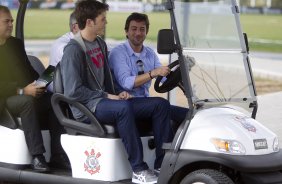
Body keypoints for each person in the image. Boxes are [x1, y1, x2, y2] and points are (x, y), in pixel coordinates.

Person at [60, 1, 173, 183]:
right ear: (90, 22)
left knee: (160, 105)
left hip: (105, 101)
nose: (106, 22)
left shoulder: (99, 44)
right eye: (102, 19)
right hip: (86, 107)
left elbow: (107, 80)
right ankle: (138, 169)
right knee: (122, 109)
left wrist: (118, 93)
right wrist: (107, 96)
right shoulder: (73, 50)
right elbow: (73, 92)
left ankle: (161, 165)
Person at [0, 5, 70, 172]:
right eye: (6, 21)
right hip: (6, 97)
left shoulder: (15, 45)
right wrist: (23, 90)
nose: (10, 24)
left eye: (12, 21)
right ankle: (37, 156)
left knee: (56, 101)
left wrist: (41, 83)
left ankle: (58, 155)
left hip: (25, 91)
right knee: (26, 102)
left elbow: (28, 71)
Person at [108, 12, 188, 128]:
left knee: (187, 115)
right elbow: (126, 83)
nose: (138, 33)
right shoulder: (118, 53)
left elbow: (164, 78)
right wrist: (152, 73)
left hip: (145, 103)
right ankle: (163, 146)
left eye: (142, 29)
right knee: (161, 104)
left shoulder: (150, 53)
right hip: (125, 102)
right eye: (134, 29)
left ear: (146, 32)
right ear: (126, 31)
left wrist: (180, 76)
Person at [47, 11, 79, 92]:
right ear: (75, 27)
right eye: (87, 23)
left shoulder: (82, 42)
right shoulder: (64, 47)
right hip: (63, 94)